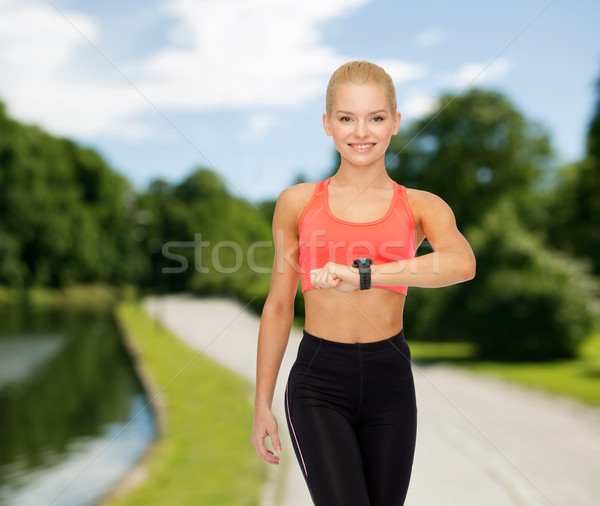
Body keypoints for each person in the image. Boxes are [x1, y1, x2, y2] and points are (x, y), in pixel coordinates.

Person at [251, 60, 476, 506]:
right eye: (346, 117)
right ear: (327, 124)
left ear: (395, 122)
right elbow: (278, 307)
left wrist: (365, 275)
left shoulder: (419, 206)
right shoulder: (297, 203)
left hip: (390, 382)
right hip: (318, 383)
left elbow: (461, 263)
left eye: (375, 117)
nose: (361, 131)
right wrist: (262, 405)